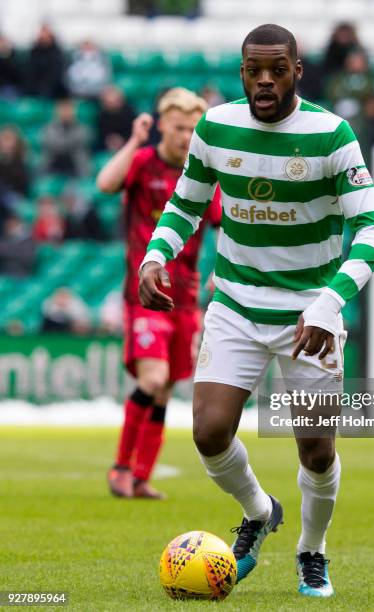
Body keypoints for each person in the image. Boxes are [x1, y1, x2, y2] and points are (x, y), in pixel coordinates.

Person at [138, 24, 374, 597]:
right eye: (255, 70)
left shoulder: (330, 135)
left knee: (317, 449)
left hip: (310, 316)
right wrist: (157, 254)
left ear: (298, 70)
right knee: (208, 430)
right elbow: (185, 204)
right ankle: (258, 510)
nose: (266, 80)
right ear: (242, 73)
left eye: (278, 69)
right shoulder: (217, 126)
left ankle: (312, 550)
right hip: (236, 303)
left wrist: (329, 304)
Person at [97, 88, 221, 500]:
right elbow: (105, 183)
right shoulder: (143, 162)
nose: (186, 136)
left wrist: (222, 270)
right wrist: (135, 140)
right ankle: (120, 467)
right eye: (179, 127)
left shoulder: (201, 176)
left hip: (185, 301)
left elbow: (231, 227)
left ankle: (141, 476)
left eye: (192, 128)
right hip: (145, 295)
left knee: (166, 387)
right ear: (162, 125)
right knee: (154, 378)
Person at [40, 99, 90, 177]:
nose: (66, 113)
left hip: (75, 164)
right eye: (63, 110)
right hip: (54, 162)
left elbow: (83, 140)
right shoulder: (49, 128)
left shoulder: (81, 128)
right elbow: (52, 144)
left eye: (68, 110)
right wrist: (69, 143)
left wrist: (63, 144)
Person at [25, 24, 67, 98]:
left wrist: (46, 87)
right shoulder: (34, 51)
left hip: (53, 89)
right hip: (35, 88)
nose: (44, 35)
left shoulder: (57, 52)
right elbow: (30, 71)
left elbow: (57, 73)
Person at [96, 85, 136, 152]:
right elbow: (101, 136)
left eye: (115, 100)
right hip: (107, 149)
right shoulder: (101, 116)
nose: (112, 103)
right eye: (108, 102)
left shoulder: (130, 113)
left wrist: (123, 141)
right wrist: (109, 140)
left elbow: (134, 134)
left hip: (129, 146)